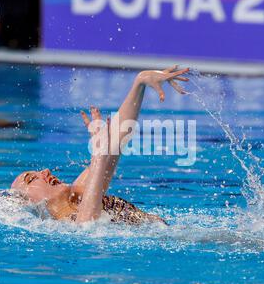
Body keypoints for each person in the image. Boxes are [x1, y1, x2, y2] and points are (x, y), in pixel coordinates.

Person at [11, 66, 190, 224]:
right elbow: (88, 225)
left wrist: (140, 82)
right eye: (31, 178)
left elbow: (116, 142)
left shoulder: (78, 194)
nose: (45, 171)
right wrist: (99, 154)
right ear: (30, 203)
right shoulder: (70, 225)